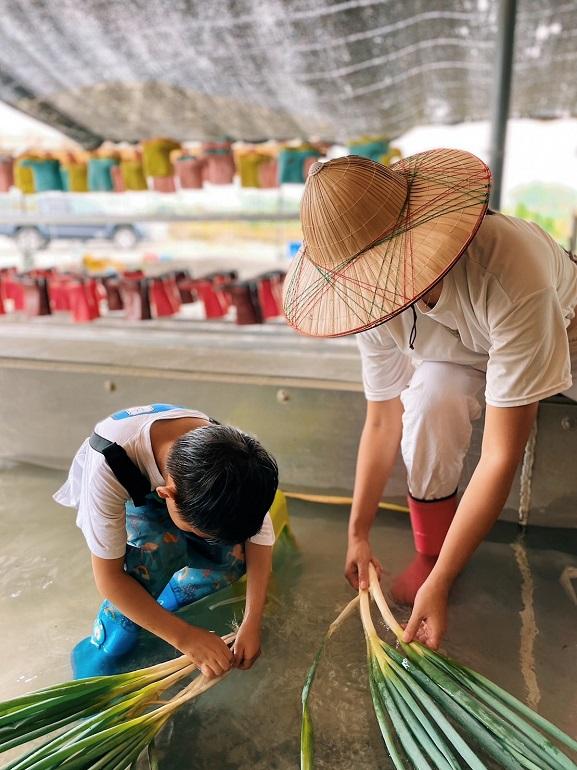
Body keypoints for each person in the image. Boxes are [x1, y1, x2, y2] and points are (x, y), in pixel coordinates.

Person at [282, 150, 577, 649]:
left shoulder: (508, 269)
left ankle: (441, 568)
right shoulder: (370, 296)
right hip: (457, 347)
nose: (374, 287)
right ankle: (433, 549)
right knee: (430, 398)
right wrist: (358, 531)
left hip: (563, 326)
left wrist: (438, 586)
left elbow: (502, 453)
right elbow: (382, 421)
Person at [54, 403, 278, 679]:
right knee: (155, 555)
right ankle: (102, 648)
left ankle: (159, 612)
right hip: (126, 488)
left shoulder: (236, 463)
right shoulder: (107, 467)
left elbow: (258, 535)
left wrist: (252, 621)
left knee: (233, 558)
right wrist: (185, 638)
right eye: (199, 531)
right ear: (166, 494)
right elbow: (108, 578)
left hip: (184, 491)